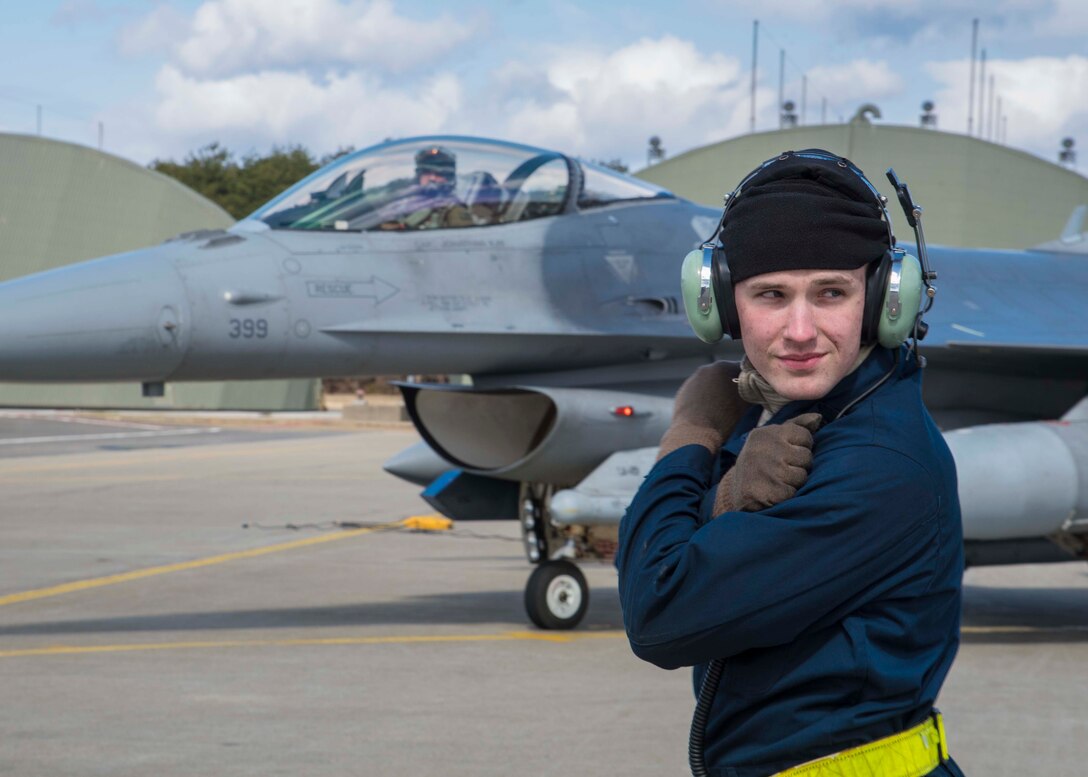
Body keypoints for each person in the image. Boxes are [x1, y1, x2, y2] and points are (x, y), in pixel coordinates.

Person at [615, 150, 964, 777]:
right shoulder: (802, 412)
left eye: (831, 292)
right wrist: (724, 493)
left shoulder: (879, 464)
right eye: (770, 295)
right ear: (721, 302)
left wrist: (693, 432)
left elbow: (658, 612)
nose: (799, 330)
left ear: (886, 297)